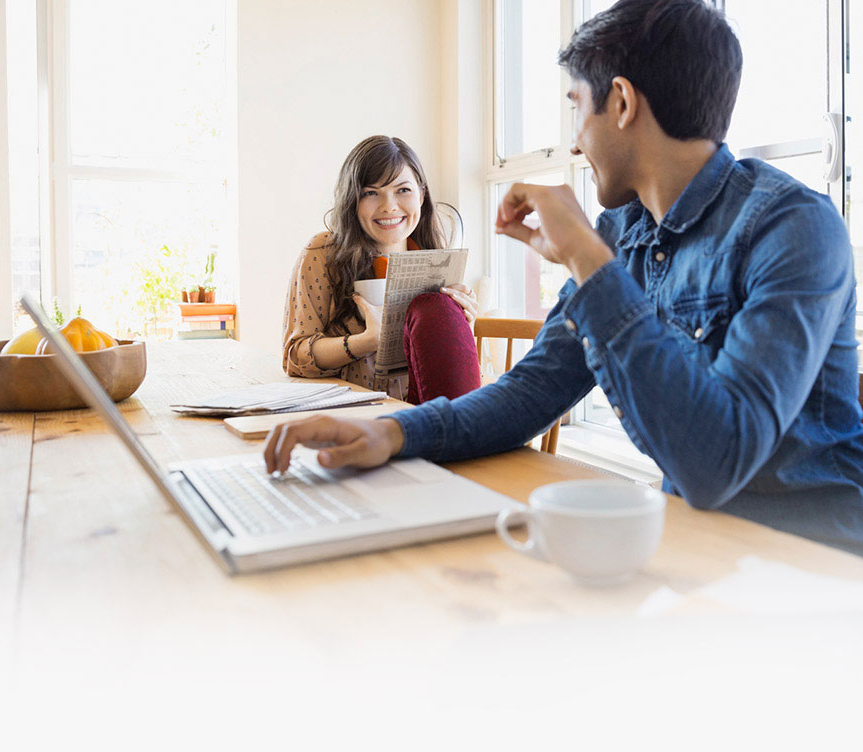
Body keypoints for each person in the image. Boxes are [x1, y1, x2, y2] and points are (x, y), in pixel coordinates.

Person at [266, 0, 863, 556]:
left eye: (576, 106)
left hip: (813, 563)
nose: (575, 143)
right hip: (690, 541)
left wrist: (585, 257)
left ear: (622, 104)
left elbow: (715, 463)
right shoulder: (622, 231)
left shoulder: (794, 229)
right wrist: (392, 435)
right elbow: (533, 390)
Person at [283, 134, 481, 406]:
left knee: (440, 311)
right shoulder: (323, 252)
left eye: (403, 190)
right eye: (371, 193)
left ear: (422, 195)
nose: (389, 206)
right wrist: (366, 341)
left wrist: (461, 326)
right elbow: (295, 357)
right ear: (352, 200)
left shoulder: (435, 258)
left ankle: (461, 441)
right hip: (357, 415)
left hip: (422, 415)